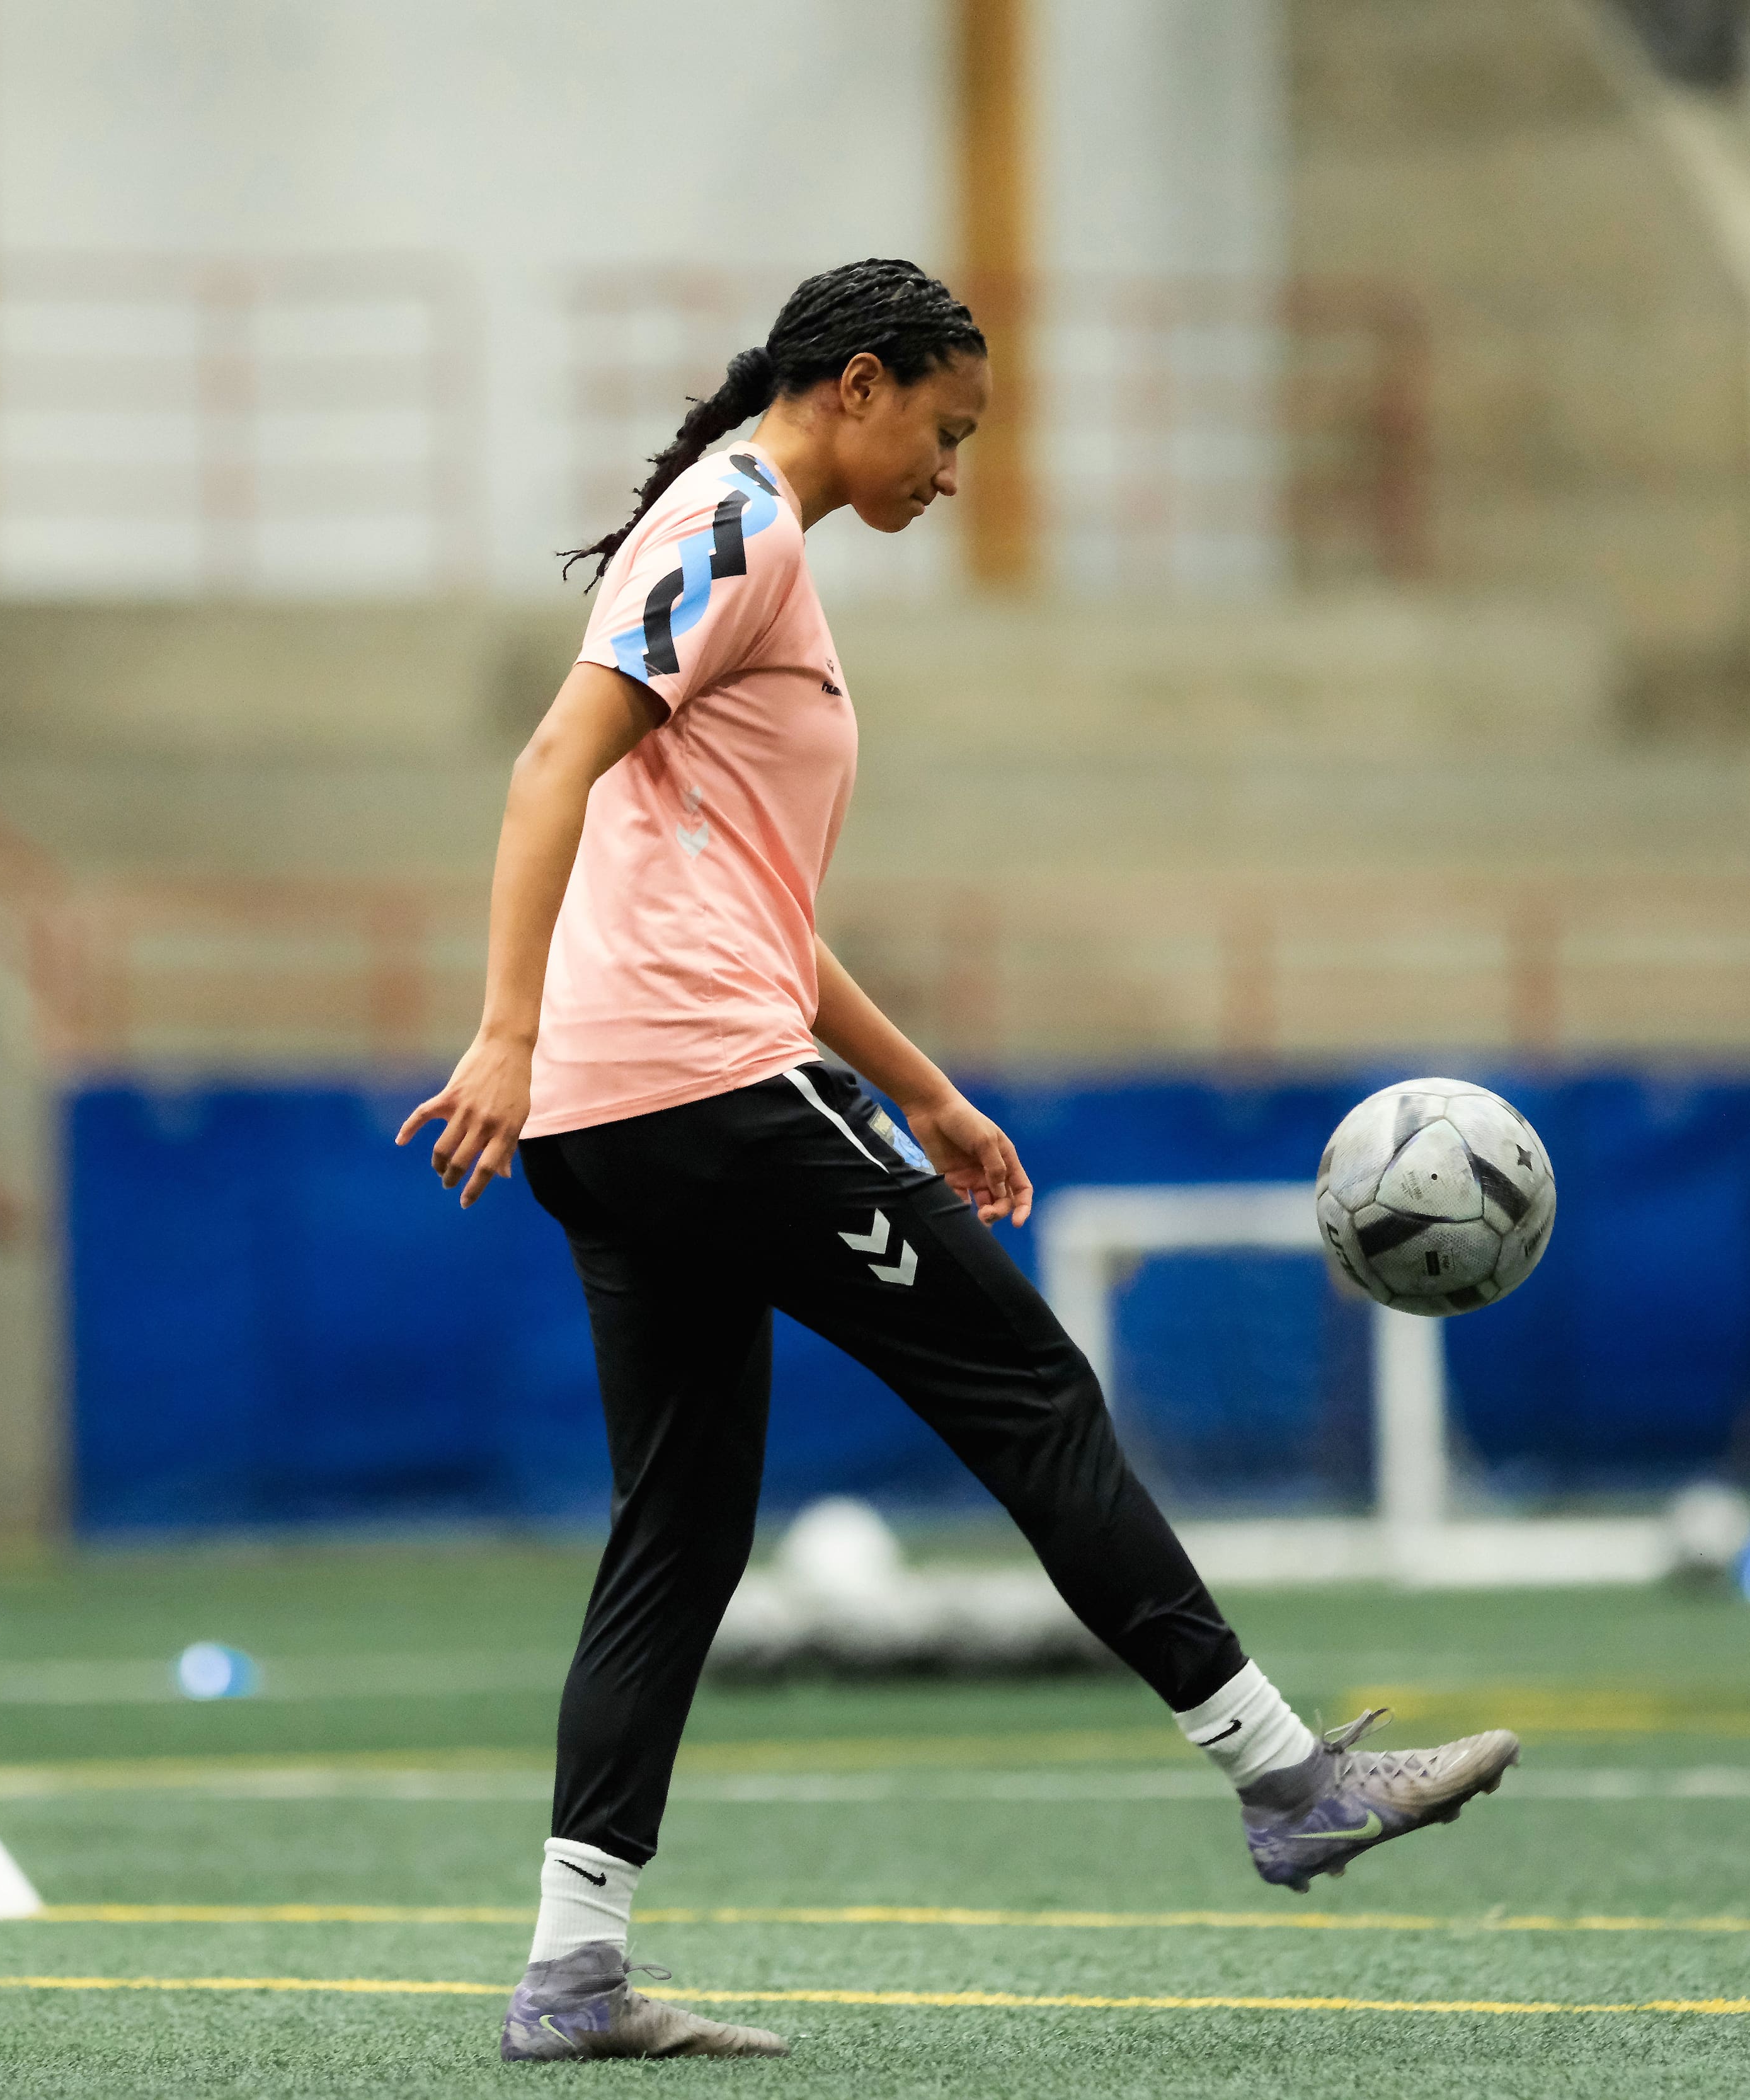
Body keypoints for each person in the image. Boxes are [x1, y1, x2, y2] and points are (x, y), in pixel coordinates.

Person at [398, 260, 1524, 2063]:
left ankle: (573, 1965)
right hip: (697, 1088)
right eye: (947, 428)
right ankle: (1287, 1777)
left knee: (677, 1531)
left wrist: (916, 1086)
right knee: (1030, 1390)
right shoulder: (741, 525)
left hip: (623, 1114)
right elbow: (552, 758)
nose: (951, 469)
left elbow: (750, 902)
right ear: (857, 384)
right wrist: (501, 1027)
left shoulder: (747, 537)